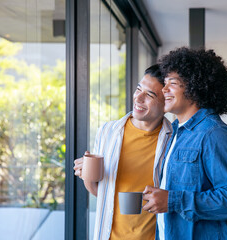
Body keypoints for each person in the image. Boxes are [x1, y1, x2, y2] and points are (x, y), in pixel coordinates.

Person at [142, 47, 227, 239]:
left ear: (195, 87)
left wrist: (173, 200)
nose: (164, 89)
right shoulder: (176, 132)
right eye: (164, 83)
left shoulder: (215, 134)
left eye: (172, 83)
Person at [73, 64, 172, 240]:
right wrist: (87, 174)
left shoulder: (173, 140)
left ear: (166, 103)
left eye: (149, 94)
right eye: (138, 89)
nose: (138, 98)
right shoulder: (108, 131)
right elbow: (103, 193)